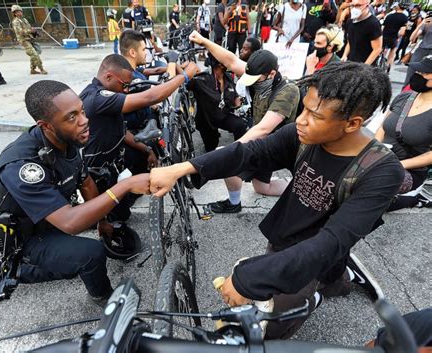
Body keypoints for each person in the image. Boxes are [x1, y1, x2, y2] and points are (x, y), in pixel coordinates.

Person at [149, 61, 403, 339]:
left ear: (352, 123)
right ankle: (336, 280)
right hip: (287, 233)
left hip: (318, 249)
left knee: (270, 326)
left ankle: (324, 289)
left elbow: (330, 242)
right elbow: (249, 153)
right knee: (322, 276)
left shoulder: (382, 171)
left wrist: (249, 279)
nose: (301, 119)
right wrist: (184, 168)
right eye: (303, 108)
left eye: (314, 115)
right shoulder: (303, 135)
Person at [0, 80, 150, 309]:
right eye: (72, 117)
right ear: (45, 125)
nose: (85, 121)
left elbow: (85, 182)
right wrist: (124, 186)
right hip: (26, 237)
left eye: (82, 111)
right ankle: (103, 297)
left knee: (114, 208)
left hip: (51, 217)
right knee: (91, 254)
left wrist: (102, 222)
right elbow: (70, 223)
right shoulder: (22, 165)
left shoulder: (65, 138)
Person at [79, 54, 198, 226]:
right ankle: (98, 213)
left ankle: (124, 194)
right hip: (99, 170)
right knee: (121, 217)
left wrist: (148, 151)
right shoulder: (97, 98)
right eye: (124, 85)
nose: (126, 90)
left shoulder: (107, 94)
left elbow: (122, 131)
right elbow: (149, 98)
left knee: (148, 151)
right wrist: (185, 76)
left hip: (116, 156)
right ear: (108, 77)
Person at [190, 31, 299, 211]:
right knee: (262, 187)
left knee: (227, 159)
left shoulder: (287, 91)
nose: (251, 83)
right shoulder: (259, 75)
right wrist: (203, 41)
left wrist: (230, 151)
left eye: (256, 79)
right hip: (264, 139)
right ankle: (300, 188)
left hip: (278, 145)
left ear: (272, 74)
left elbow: (264, 129)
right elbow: (231, 61)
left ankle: (234, 204)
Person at [375, 55, 432, 211]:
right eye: (418, 70)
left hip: (408, 169)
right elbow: (383, 126)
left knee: (371, 187)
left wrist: (399, 164)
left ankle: (412, 198)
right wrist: (376, 151)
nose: (417, 74)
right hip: (382, 158)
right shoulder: (404, 97)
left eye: (424, 72)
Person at [188, 53, 247, 152]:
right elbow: (185, 82)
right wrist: (182, 68)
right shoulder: (202, 79)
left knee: (240, 125)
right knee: (211, 148)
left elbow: (233, 95)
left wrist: (237, 100)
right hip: (207, 120)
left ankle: (240, 153)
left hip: (222, 114)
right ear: (220, 65)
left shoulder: (228, 77)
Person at [341, 0, 382, 65]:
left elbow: (377, 49)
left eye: (358, 5)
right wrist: (344, 55)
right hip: (350, 63)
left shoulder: (373, 24)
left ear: (367, 5)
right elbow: (350, 41)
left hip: (366, 67)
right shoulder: (350, 22)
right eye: (352, 5)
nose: (354, 8)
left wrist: (364, 67)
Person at [11, 4, 47, 75]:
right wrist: (31, 31)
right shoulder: (15, 22)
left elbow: (29, 28)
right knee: (35, 54)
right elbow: (20, 32)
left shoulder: (24, 19)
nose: (19, 13)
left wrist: (35, 32)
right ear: (14, 13)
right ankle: (41, 69)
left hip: (30, 38)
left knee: (33, 54)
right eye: (16, 12)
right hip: (24, 40)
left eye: (19, 11)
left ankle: (32, 70)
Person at [404, 14, 432, 86]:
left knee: (427, 79)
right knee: (410, 73)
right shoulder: (427, 24)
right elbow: (412, 38)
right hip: (421, 51)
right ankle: (404, 93)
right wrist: (421, 24)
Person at [381, 1, 408, 72]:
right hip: (393, 38)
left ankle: (378, 61)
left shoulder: (389, 16)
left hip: (384, 36)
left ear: (398, 6)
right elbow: (402, 32)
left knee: (381, 50)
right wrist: (397, 37)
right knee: (393, 51)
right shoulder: (405, 18)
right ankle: (387, 66)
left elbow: (382, 28)